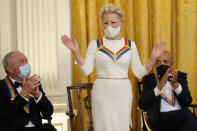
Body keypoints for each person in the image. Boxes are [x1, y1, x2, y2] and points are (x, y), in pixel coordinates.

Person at [61, 3, 166, 131]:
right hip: (101, 93)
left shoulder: (130, 45)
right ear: (102, 24)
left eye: (113, 22)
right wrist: (76, 52)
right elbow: (86, 70)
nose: (109, 26)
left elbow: (138, 73)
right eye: (106, 23)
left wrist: (152, 58)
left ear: (121, 24)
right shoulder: (95, 44)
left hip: (123, 93)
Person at [139, 51, 197, 131]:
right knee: (187, 115)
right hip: (160, 119)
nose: (162, 64)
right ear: (155, 65)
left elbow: (188, 100)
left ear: (171, 64)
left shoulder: (180, 77)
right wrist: (158, 87)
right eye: (158, 62)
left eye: (165, 62)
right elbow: (142, 104)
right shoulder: (149, 80)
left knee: (185, 127)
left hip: (181, 119)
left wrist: (176, 86)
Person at [0, 51, 54, 131]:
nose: (26, 64)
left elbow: (48, 113)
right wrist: (24, 92)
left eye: (26, 61)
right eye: (22, 62)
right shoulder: (1, 87)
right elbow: (4, 115)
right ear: (10, 69)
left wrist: (38, 95)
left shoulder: (34, 83)